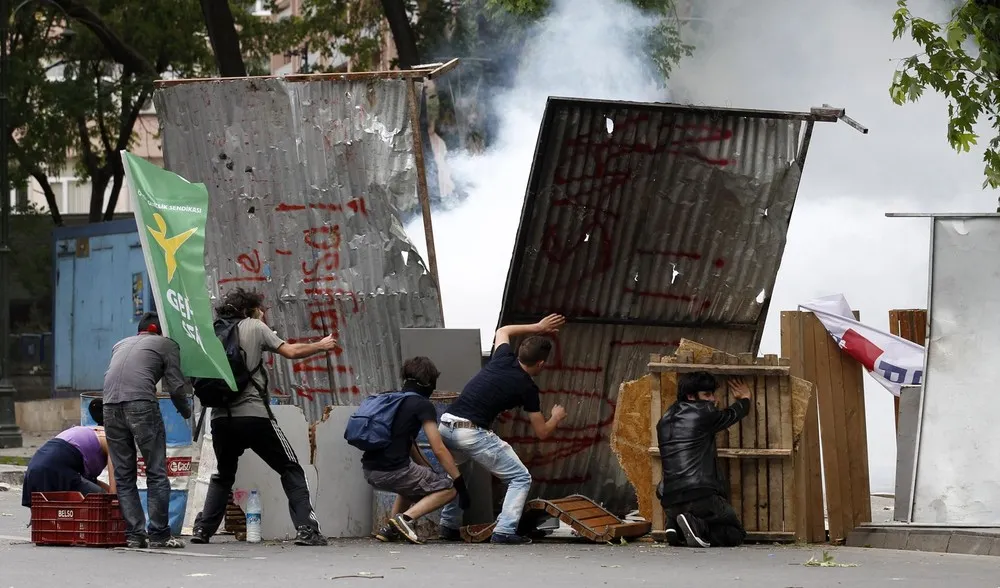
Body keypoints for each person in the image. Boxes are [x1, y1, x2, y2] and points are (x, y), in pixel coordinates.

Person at [191, 288, 337, 547]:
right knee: (291, 467)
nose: (263, 313)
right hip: (254, 416)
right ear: (250, 309)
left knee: (224, 474)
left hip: (220, 418)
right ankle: (307, 529)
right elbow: (290, 351)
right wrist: (321, 345)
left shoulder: (210, 332)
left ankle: (203, 530)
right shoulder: (254, 326)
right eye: (261, 309)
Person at [437, 314, 568, 545]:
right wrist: (556, 417)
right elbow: (542, 432)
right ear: (540, 364)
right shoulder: (527, 388)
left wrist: (538, 326)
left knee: (460, 474)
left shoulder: (502, 357)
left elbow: (503, 330)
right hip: (471, 432)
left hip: (446, 425)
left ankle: (448, 525)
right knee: (520, 477)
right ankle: (505, 531)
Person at [102, 312, 191, 549]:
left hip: (109, 405)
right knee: (156, 471)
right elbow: (176, 386)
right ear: (160, 331)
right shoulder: (167, 344)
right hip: (141, 404)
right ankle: (160, 534)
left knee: (124, 474)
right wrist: (186, 412)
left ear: (139, 330)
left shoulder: (120, 344)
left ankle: (134, 535)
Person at [363, 357, 470, 545]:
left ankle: (390, 530)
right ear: (428, 382)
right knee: (449, 489)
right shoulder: (422, 405)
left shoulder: (392, 400)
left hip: (370, 470)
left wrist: (428, 471)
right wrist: (459, 482)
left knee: (411, 485)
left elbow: (410, 443)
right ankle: (404, 519)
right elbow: (438, 448)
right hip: (394, 470)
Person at [656, 371, 752, 548]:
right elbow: (731, 415)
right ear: (691, 396)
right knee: (736, 533)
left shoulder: (664, 420)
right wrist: (745, 399)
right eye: (707, 394)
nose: (713, 399)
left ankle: (676, 525)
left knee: (708, 519)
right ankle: (695, 526)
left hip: (669, 499)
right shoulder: (705, 412)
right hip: (700, 496)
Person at [21, 401, 115, 508]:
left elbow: (92, 482)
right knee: (103, 502)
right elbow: (114, 491)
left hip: (35, 467)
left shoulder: (89, 432)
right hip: (54, 469)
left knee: (46, 515)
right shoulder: (111, 439)